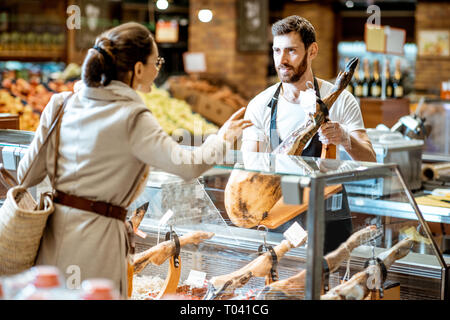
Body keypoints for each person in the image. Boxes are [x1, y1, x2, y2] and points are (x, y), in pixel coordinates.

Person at [17, 22, 252, 298]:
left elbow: (26, 174)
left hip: (52, 234)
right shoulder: (133, 116)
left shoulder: (61, 104)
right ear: (138, 69)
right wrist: (223, 139)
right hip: (97, 240)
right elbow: (188, 166)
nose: (158, 69)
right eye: (157, 62)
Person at [241, 15, 376, 254]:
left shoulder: (341, 99)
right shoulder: (260, 105)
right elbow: (251, 166)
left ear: (312, 50)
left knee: (327, 285)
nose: (281, 60)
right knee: (282, 285)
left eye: (291, 50)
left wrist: (344, 137)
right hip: (280, 211)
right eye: (276, 50)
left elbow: (370, 160)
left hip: (329, 214)